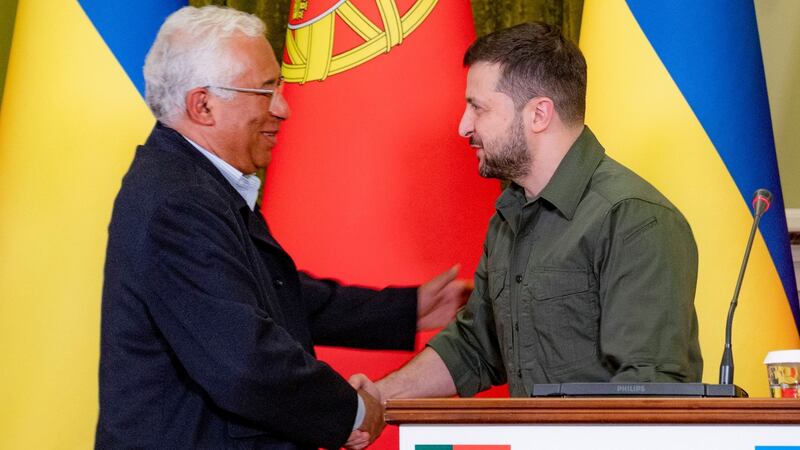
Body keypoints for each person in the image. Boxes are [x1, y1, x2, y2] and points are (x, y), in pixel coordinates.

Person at [95, 6, 470, 449]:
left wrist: (405, 310)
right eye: (265, 90)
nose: (284, 108)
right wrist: (353, 411)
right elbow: (244, 363)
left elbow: (271, 292)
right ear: (203, 105)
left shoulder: (190, 181)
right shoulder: (179, 200)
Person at [351, 21, 703, 410]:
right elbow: (475, 347)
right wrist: (378, 397)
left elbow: (649, 390)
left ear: (538, 115)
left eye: (478, 108)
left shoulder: (633, 219)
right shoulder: (508, 218)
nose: (463, 126)